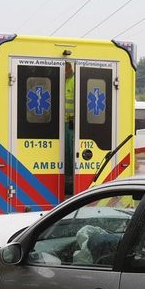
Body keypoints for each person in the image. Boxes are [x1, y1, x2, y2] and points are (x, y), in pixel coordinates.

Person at [63, 62, 76, 196]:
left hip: (72, 123)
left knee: (71, 153)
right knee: (66, 153)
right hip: (64, 123)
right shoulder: (64, 81)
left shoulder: (74, 81)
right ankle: (67, 182)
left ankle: (70, 182)